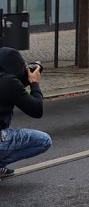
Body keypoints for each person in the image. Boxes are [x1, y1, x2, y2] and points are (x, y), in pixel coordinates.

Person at [0, 48, 51, 180]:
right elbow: (36, 110)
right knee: (44, 140)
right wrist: (34, 83)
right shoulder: (9, 83)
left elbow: (14, 88)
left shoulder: (6, 81)